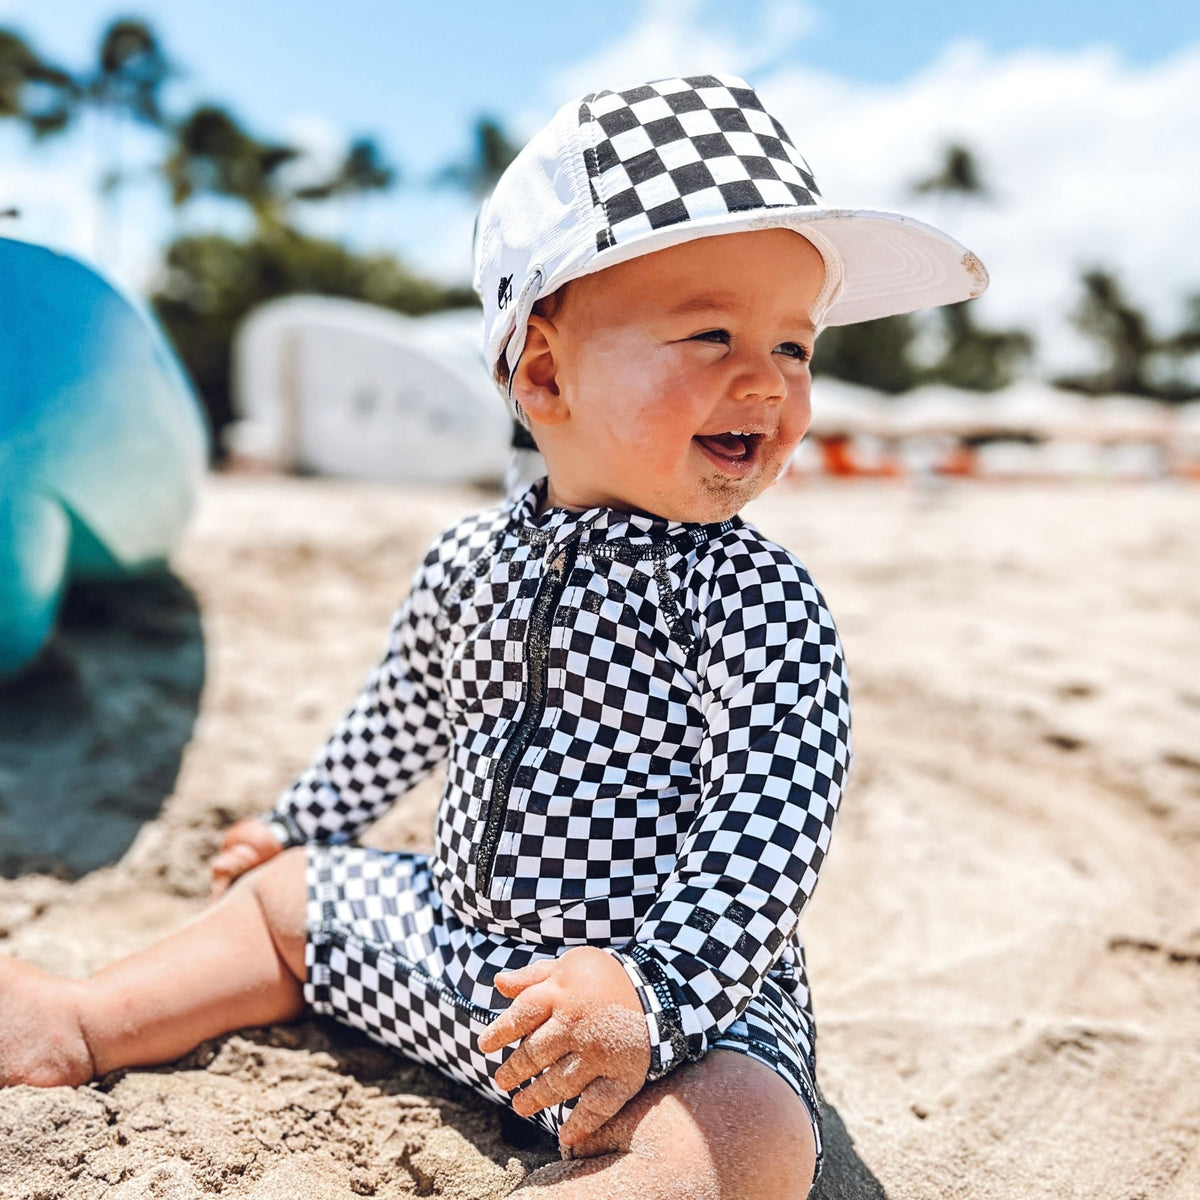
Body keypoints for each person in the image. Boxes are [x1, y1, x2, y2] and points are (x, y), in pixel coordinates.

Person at [0, 73, 987, 1198]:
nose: (766, 380)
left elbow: (775, 816)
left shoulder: (755, 596)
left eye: (797, 348)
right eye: (711, 334)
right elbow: (402, 711)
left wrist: (652, 987)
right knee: (283, 910)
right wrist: (302, 825)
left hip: (667, 1006)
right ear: (545, 372)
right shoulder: (471, 562)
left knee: (751, 1130)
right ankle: (80, 1021)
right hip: (464, 954)